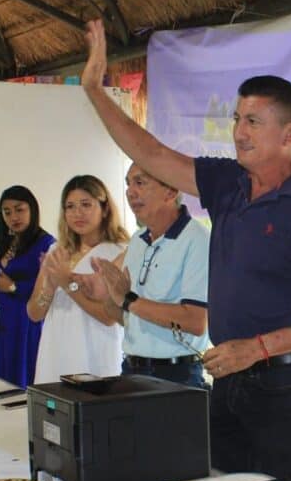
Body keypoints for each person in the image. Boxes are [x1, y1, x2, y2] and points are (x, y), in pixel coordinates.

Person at [80, 19, 291, 481]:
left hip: (287, 383)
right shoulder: (229, 183)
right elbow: (152, 153)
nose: (239, 132)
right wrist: (94, 91)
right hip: (229, 377)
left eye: (253, 121)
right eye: (236, 119)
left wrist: (260, 348)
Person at [80, 163, 211, 388]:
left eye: (140, 182)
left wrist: (129, 300)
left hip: (176, 376)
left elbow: (196, 321)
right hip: (131, 371)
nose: (130, 192)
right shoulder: (138, 240)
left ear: (171, 190)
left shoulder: (197, 239)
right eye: (128, 184)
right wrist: (109, 296)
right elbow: (127, 319)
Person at [27, 175, 129, 382]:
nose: (77, 213)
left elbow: (109, 317)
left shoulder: (119, 252)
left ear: (105, 208)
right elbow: (34, 313)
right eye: (70, 207)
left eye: (86, 205)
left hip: (97, 349)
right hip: (56, 348)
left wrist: (68, 284)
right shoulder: (57, 250)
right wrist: (50, 286)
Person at [0, 185, 55, 388]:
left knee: (26, 373)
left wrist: (15, 287)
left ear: (32, 210)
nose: (13, 217)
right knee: (6, 374)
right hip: (6, 319)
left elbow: (50, 287)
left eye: (20, 210)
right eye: (7, 212)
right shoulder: (9, 242)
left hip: (29, 319)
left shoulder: (46, 244)